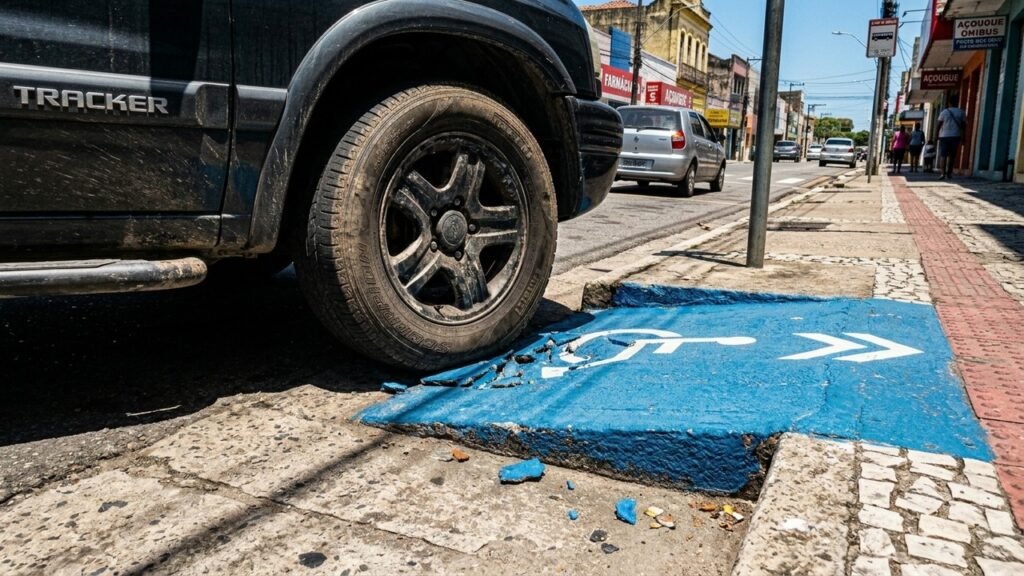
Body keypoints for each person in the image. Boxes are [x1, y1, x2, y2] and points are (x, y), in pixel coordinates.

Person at [937, 96, 966, 180]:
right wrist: (963, 137)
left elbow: (939, 124)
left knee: (943, 155)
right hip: (955, 136)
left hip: (944, 136)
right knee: (952, 156)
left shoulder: (944, 112)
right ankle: (949, 173)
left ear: (949, 103)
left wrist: (936, 135)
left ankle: (942, 173)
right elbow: (963, 126)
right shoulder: (961, 112)